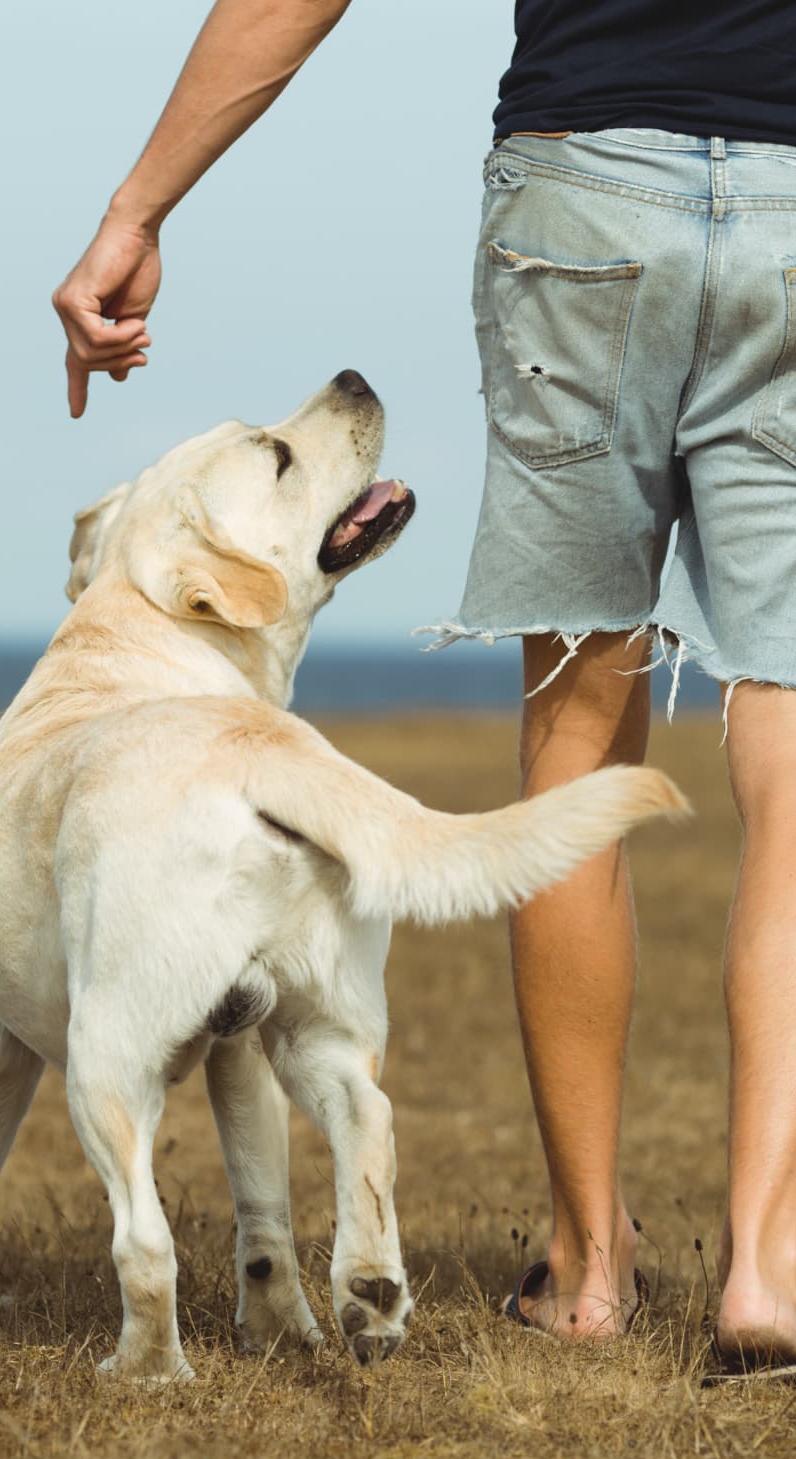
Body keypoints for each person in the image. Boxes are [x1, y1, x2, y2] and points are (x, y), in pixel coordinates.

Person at [53, 0, 796, 1372]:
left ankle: (587, 1269)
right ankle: (766, 1266)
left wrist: (137, 209)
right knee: (795, 763)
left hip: (586, 195)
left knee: (578, 730)